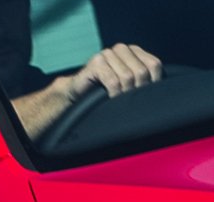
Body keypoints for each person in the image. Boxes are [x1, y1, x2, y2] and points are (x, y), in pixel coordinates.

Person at [15, 42, 163, 140]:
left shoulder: (94, 94)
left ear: (26, 9)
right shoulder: (67, 91)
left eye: (7, 3)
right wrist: (65, 93)